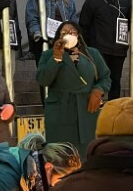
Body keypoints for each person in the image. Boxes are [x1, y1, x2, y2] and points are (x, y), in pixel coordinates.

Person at [37, 21, 110, 158]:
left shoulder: (91, 54)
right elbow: (43, 80)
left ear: (79, 35)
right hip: (61, 111)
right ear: (58, 37)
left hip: (86, 109)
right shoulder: (48, 55)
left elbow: (105, 77)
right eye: (63, 33)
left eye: (72, 32)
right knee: (61, 157)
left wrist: (98, 91)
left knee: (87, 153)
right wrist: (56, 58)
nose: (68, 34)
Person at [79, 0, 131, 100]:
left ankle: (114, 107)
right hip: (99, 50)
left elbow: (131, 25)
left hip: (119, 51)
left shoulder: (124, 3)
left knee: (116, 82)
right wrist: (88, 48)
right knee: (98, 81)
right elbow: (83, 26)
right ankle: (95, 106)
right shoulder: (92, 2)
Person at [25, 0, 79, 65]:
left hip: (64, 41)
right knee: (47, 69)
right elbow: (32, 17)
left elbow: (73, 18)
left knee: (66, 68)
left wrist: (73, 34)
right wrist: (37, 33)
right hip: (45, 41)